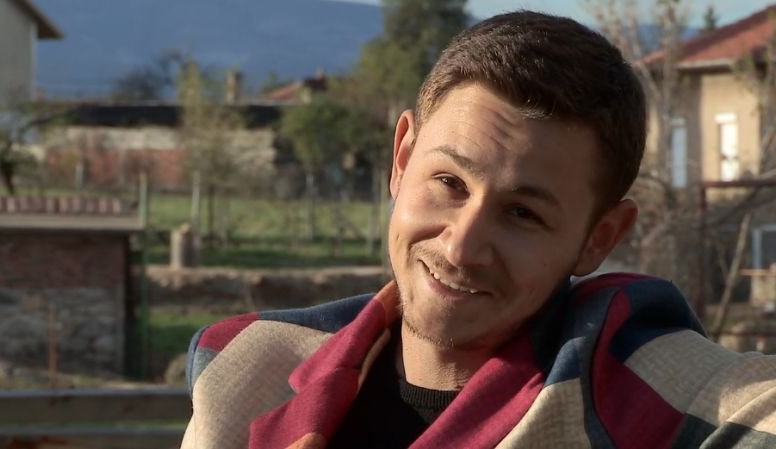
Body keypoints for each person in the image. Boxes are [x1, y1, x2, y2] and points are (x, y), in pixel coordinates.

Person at [181, 11, 776, 449]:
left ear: (599, 237)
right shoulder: (250, 375)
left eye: (523, 214)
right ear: (402, 158)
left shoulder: (642, 393)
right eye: (449, 182)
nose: (462, 247)